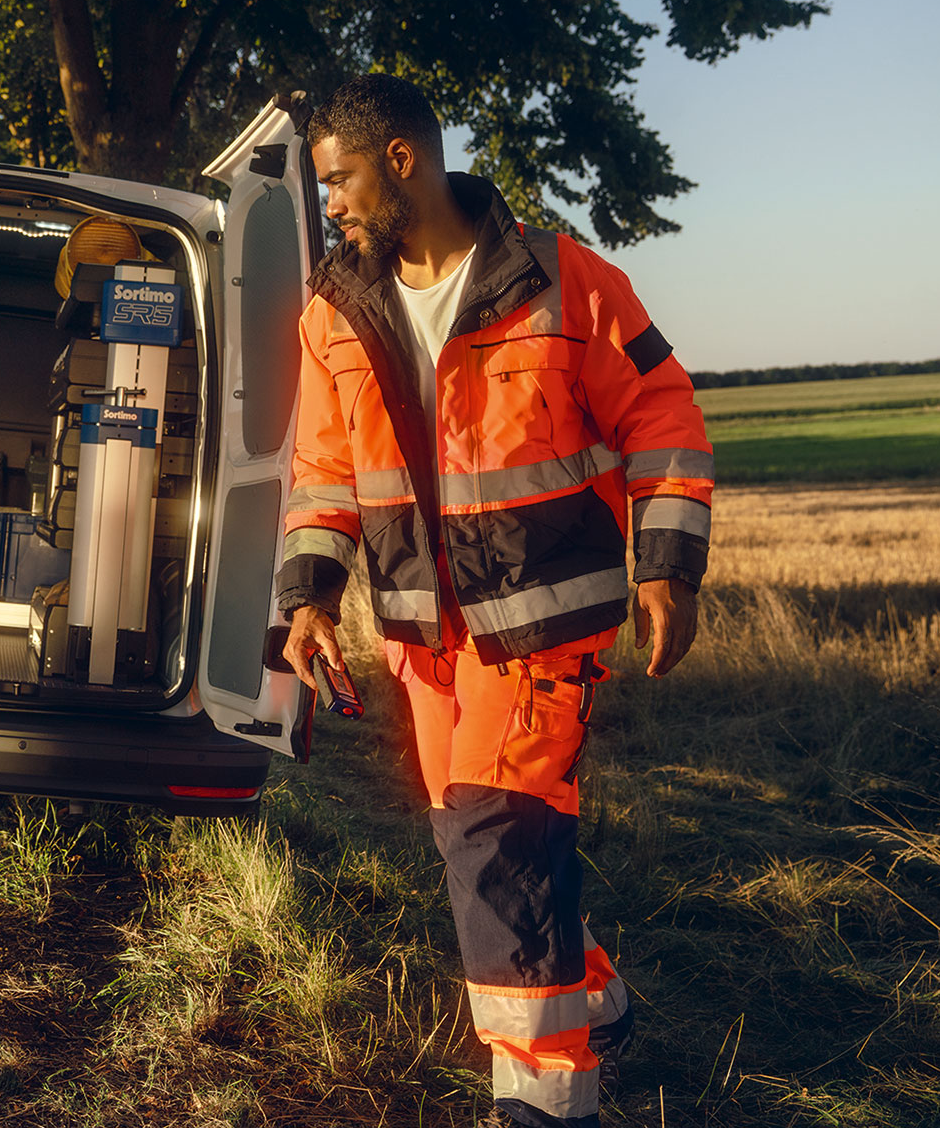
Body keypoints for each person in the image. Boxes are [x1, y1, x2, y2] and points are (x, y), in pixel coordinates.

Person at [278, 74, 713, 1128]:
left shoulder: (562, 277)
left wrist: (668, 563)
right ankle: (591, 995)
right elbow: (324, 472)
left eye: (336, 180)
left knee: (496, 833)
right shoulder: (333, 309)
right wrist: (309, 597)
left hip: (542, 620)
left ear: (401, 161)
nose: (327, 204)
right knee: (476, 835)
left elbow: (663, 413)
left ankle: (548, 1096)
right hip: (423, 632)